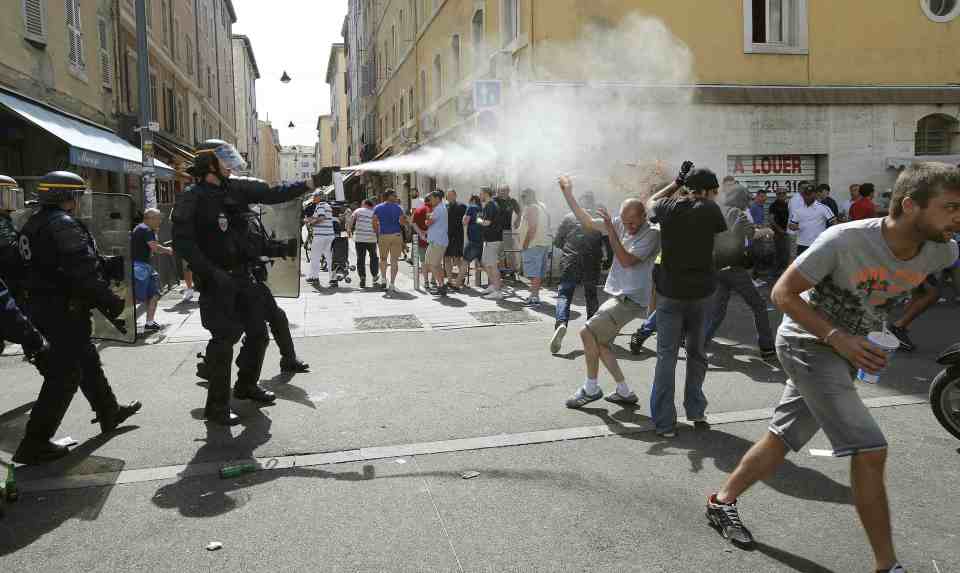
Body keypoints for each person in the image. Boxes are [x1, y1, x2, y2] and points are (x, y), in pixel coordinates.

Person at [705, 162, 960, 573]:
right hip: (807, 343)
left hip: (851, 348)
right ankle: (886, 566)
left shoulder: (942, 249)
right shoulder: (844, 240)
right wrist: (838, 338)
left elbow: (902, 294)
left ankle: (722, 502)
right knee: (870, 448)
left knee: (781, 438)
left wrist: (878, 334)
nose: (958, 217)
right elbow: (782, 293)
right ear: (911, 206)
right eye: (950, 207)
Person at [172, 140, 314, 425]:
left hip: (244, 275)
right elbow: (183, 244)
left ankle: (246, 385)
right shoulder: (192, 197)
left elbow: (273, 193)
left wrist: (310, 183)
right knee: (224, 341)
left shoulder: (234, 189)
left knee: (259, 334)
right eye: (224, 160)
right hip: (217, 281)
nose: (230, 166)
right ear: (209, 164)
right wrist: (212, 274)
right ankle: (217, 407)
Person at [14, 171, 142, 463]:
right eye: (77, 195)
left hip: (44, 307)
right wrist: (112, 303)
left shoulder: (32, 223)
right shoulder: (63, 224)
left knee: (86, 359)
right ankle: (35, 441)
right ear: (66, 197)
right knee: (64, 375)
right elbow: (81, 272)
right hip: (63, 311)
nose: (80, 201)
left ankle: (109, 410)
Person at [558, 176, 660, 408]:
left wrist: (612, 229)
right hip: (618, 295)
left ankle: (591, 388)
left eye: (633, 223)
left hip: (630, 299)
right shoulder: (620, 223)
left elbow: (625, 260)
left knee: (586, 333)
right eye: (625, 221)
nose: (628, 227)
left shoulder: (652, 234)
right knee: (601, 344)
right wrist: (568, 193)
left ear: (644, 217)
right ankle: (624, 391)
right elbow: (587, 222)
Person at [646, 163, 728, 438]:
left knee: (666, 357)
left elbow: (651, 201)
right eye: (715, 191)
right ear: (708, 191)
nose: (717, 196)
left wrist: (675, 182)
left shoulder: (668, 207)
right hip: (701, 294)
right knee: (697, 354)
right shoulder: (710, 209)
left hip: (670, 294)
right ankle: (695, 410)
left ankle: (664, 423)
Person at [704, 185, 776, 358]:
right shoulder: (737, 213)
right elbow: (752, 234)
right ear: (742, 200)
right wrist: (767, 231)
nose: (749, 203)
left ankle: (700, 341)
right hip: (734, 269)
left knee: (717, 310)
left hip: (716, 268)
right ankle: (767, 348)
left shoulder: (716, 210)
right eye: (747, 200)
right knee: (758, 306)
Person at [132, 208, 173, 332]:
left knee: (154, 294)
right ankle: (124, 320)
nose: (160, 221)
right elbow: (155, 248)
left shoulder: (141, 228)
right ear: (149, 218)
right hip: (141, 268)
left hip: (143, 267)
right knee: (138, 297)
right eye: (157, 218)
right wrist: (168, 250)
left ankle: (149, 322)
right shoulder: (146, 229)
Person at [517, 188, 551, 306]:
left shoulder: (532, 208)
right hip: (542, 243)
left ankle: (534, 296)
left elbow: (532, 227)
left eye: (523, 196)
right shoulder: (542, 206)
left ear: (530, 196)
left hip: (533, 244)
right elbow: (548, 222)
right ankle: (534, 294)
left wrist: (525, 243)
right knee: (538, 272)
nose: (522, 199)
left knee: (533, 272)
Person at [373, 189, 407, 292]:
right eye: (395, 195)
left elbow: (374, 221)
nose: (396, 197)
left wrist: (377, 233)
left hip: (384, 235)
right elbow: (402, 222)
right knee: (394, 261)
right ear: (390, 196)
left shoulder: (378, 207)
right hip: (396, 235)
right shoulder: (399, 208)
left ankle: (383, 280)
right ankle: (392, 284)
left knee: (383, 259)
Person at [789, 182, 836, 256]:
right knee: (803, 266)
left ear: (814, 195)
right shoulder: (798, 210)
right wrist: (794, 227)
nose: (808, 197)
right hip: (802, 244)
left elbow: (834, 222)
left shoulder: (823, 208)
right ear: (803, 195)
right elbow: (791, 225)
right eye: (806, 195)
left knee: (818, 266)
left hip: (818, 244)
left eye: (810, 194)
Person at [477, 187, 505, 299]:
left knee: (492, 266)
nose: (480, 196)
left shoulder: (490, 205)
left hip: (493, 240)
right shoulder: (492, 204)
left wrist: (478, 220)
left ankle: (498, 291)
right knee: (486, 263)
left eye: (481, 194)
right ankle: (494, 285)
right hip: (490, 240)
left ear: (485, 194)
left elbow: (487, 223)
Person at [304, 191, 336, 287]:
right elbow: (318, 217)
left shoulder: (320, 205)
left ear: (318, 197)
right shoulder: (327, 206)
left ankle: (314, 277)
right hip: (329, 235)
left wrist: (311, 223)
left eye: (314, 196)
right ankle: (333, 279)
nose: (313, 198)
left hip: (321, 236)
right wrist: (308, 219)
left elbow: (321, 218)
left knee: (315, 256)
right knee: (329, 258)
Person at [349, 199, 379, 288]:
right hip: (371, 239)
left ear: (364, 204)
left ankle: (362, 277)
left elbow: (351, 219)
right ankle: (374, 276)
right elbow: (377, 224)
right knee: (373, 257)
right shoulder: (374, 212)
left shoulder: (358, 210)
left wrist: (349, 229)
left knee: (360, 258)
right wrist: (378, 235)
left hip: (359, 239)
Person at [494, 185, 522, 273]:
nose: (502, 192)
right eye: (500, 190)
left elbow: (520, 211)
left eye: (504, 190)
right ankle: (502, 270)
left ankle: (510, 271)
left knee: (509, 251)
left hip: (507, 230)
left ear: (508, 191)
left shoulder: (512, 201)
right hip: (496, 231)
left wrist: (518, 220)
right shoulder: (495, 200)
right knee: (500, 252)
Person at [444, 189, 467, 289]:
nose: (449, 197)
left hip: (457, 236)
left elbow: (466, 219)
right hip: (446, 236)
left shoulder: (462, 206)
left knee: (457, 259)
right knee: (446, 258)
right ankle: (449, 280)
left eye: (451, 195)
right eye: (447, 196)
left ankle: (461, 278)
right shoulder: (445, 207)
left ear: (455, 195)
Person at [412, 194, 433, 288]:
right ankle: (434, 280)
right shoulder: (434, 210)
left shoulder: (418, 210)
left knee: (423, 261)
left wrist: (421, 233)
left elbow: (413, 223)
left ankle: (426, 281)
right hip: (434, 239)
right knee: (434, 261)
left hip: (421, 240)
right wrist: (428, 231)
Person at [462, 194, 484, 285]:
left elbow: (464, 222)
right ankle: (479, 283)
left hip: (473, 239)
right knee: (481, 263)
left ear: (473, 201)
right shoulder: (482, 209)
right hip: (481, 239)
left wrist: (464, 217)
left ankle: (458, 283)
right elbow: (479, 222)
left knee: (465, 261)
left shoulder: (471, 208)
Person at [769, 189, 790, 273]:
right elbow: (771, 219)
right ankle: (775, 272)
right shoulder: (773, 206)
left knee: (786, 252)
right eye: (779, 193)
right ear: (776, 195)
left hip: (787, 232)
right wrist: (779, 229)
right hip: (778, 233)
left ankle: (783, 271)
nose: (782, 195)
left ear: (786, 195)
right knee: (778, 252)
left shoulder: (787, 205)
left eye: (783, 193)